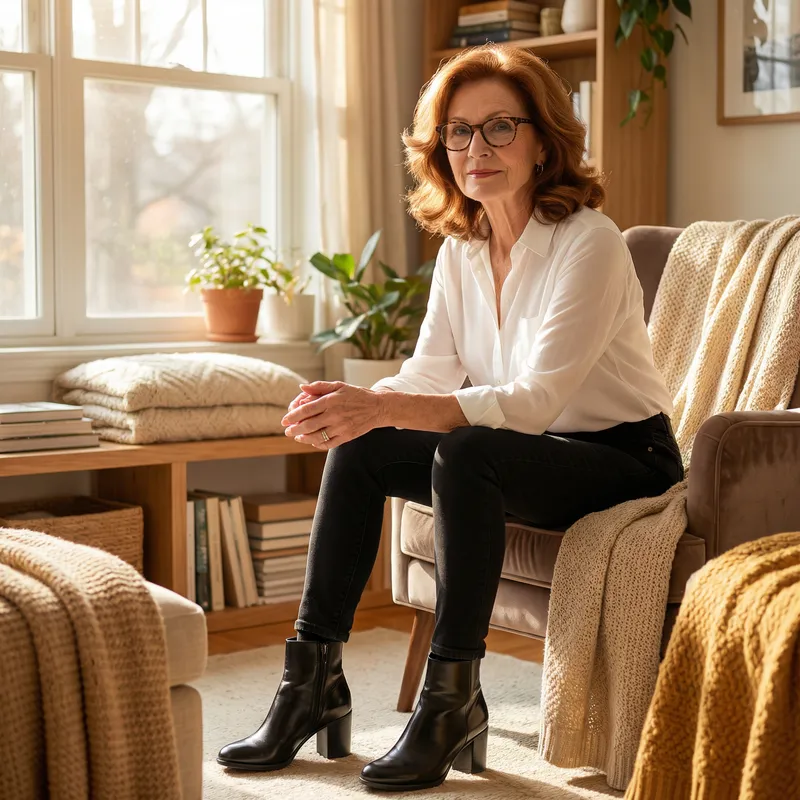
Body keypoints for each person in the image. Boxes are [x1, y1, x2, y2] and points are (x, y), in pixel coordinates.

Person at [216, 44, 684, 792]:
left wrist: (381, 404)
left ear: (543, 142)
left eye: (500, 127)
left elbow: (533, 401)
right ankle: (310, 683)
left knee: (468, 452)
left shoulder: (589, 242)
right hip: (523, 452)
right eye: (459, 132)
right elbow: (429, 373)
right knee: (364, 445)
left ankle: (451, 698)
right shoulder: (462, 249)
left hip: (624, 460)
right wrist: (353, 407)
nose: (476, 149)